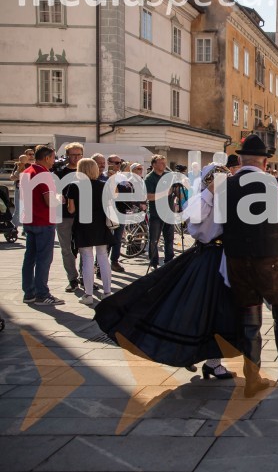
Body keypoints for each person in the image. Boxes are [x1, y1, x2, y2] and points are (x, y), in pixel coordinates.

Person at [94, 163, 237, 379]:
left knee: (217, 311)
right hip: (207, 257)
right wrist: (210, 192)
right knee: (195, 309)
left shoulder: (226, 201)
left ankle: (212, 361)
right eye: (220, 180)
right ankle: (190, 353)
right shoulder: (200, 200)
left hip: (223, 257)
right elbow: (194, 220)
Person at [223, 135, 278, 396]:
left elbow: (206, 226)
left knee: (250, 321)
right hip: (269, 260)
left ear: (240, 161)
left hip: (237, 259)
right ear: (265, 162)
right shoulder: (275, 183)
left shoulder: (225, 185)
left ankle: (252, 378)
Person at [20, 145, 65, 306]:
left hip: (29, 219)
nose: (54, 161)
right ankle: (42, 294)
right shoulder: (43, 174)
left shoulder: (26, 172)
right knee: (44, 259)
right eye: (53, 158)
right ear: (46, 158)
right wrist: (60, 198)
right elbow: (49, 201)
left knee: (29, 258)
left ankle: (29, 292)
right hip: (43, 220)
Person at [67, 158, 114, 305]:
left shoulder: (74, 186)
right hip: (101, 224)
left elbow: (71, 209)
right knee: (103, 257)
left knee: (86, 258)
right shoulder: (103, 186)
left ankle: (88, 295)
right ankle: (107, 292)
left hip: (83, 225)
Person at [55, 142, 83, 292]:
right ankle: (72, 279)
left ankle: (85, 277)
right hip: (63, 215)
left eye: (79, 154)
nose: (76, 157)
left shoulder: (86, 171)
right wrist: (58, 196)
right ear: (67, 156)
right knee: (66, 248)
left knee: (85, 248)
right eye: (73, 155)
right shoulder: (59, 172)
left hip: (84, 216)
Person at [145, 155, 175, 270]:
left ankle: (169, 261)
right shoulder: (149, 178)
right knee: (154, 240)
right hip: (155, 214)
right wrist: (164, 193)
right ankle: (153, 262)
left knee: (169, 239)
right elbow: (148, 196)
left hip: (169, 212)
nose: (164, 165)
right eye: (161, 163)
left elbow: (175, 191)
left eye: (165, 162)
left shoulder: (168, 176)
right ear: (154, 164)